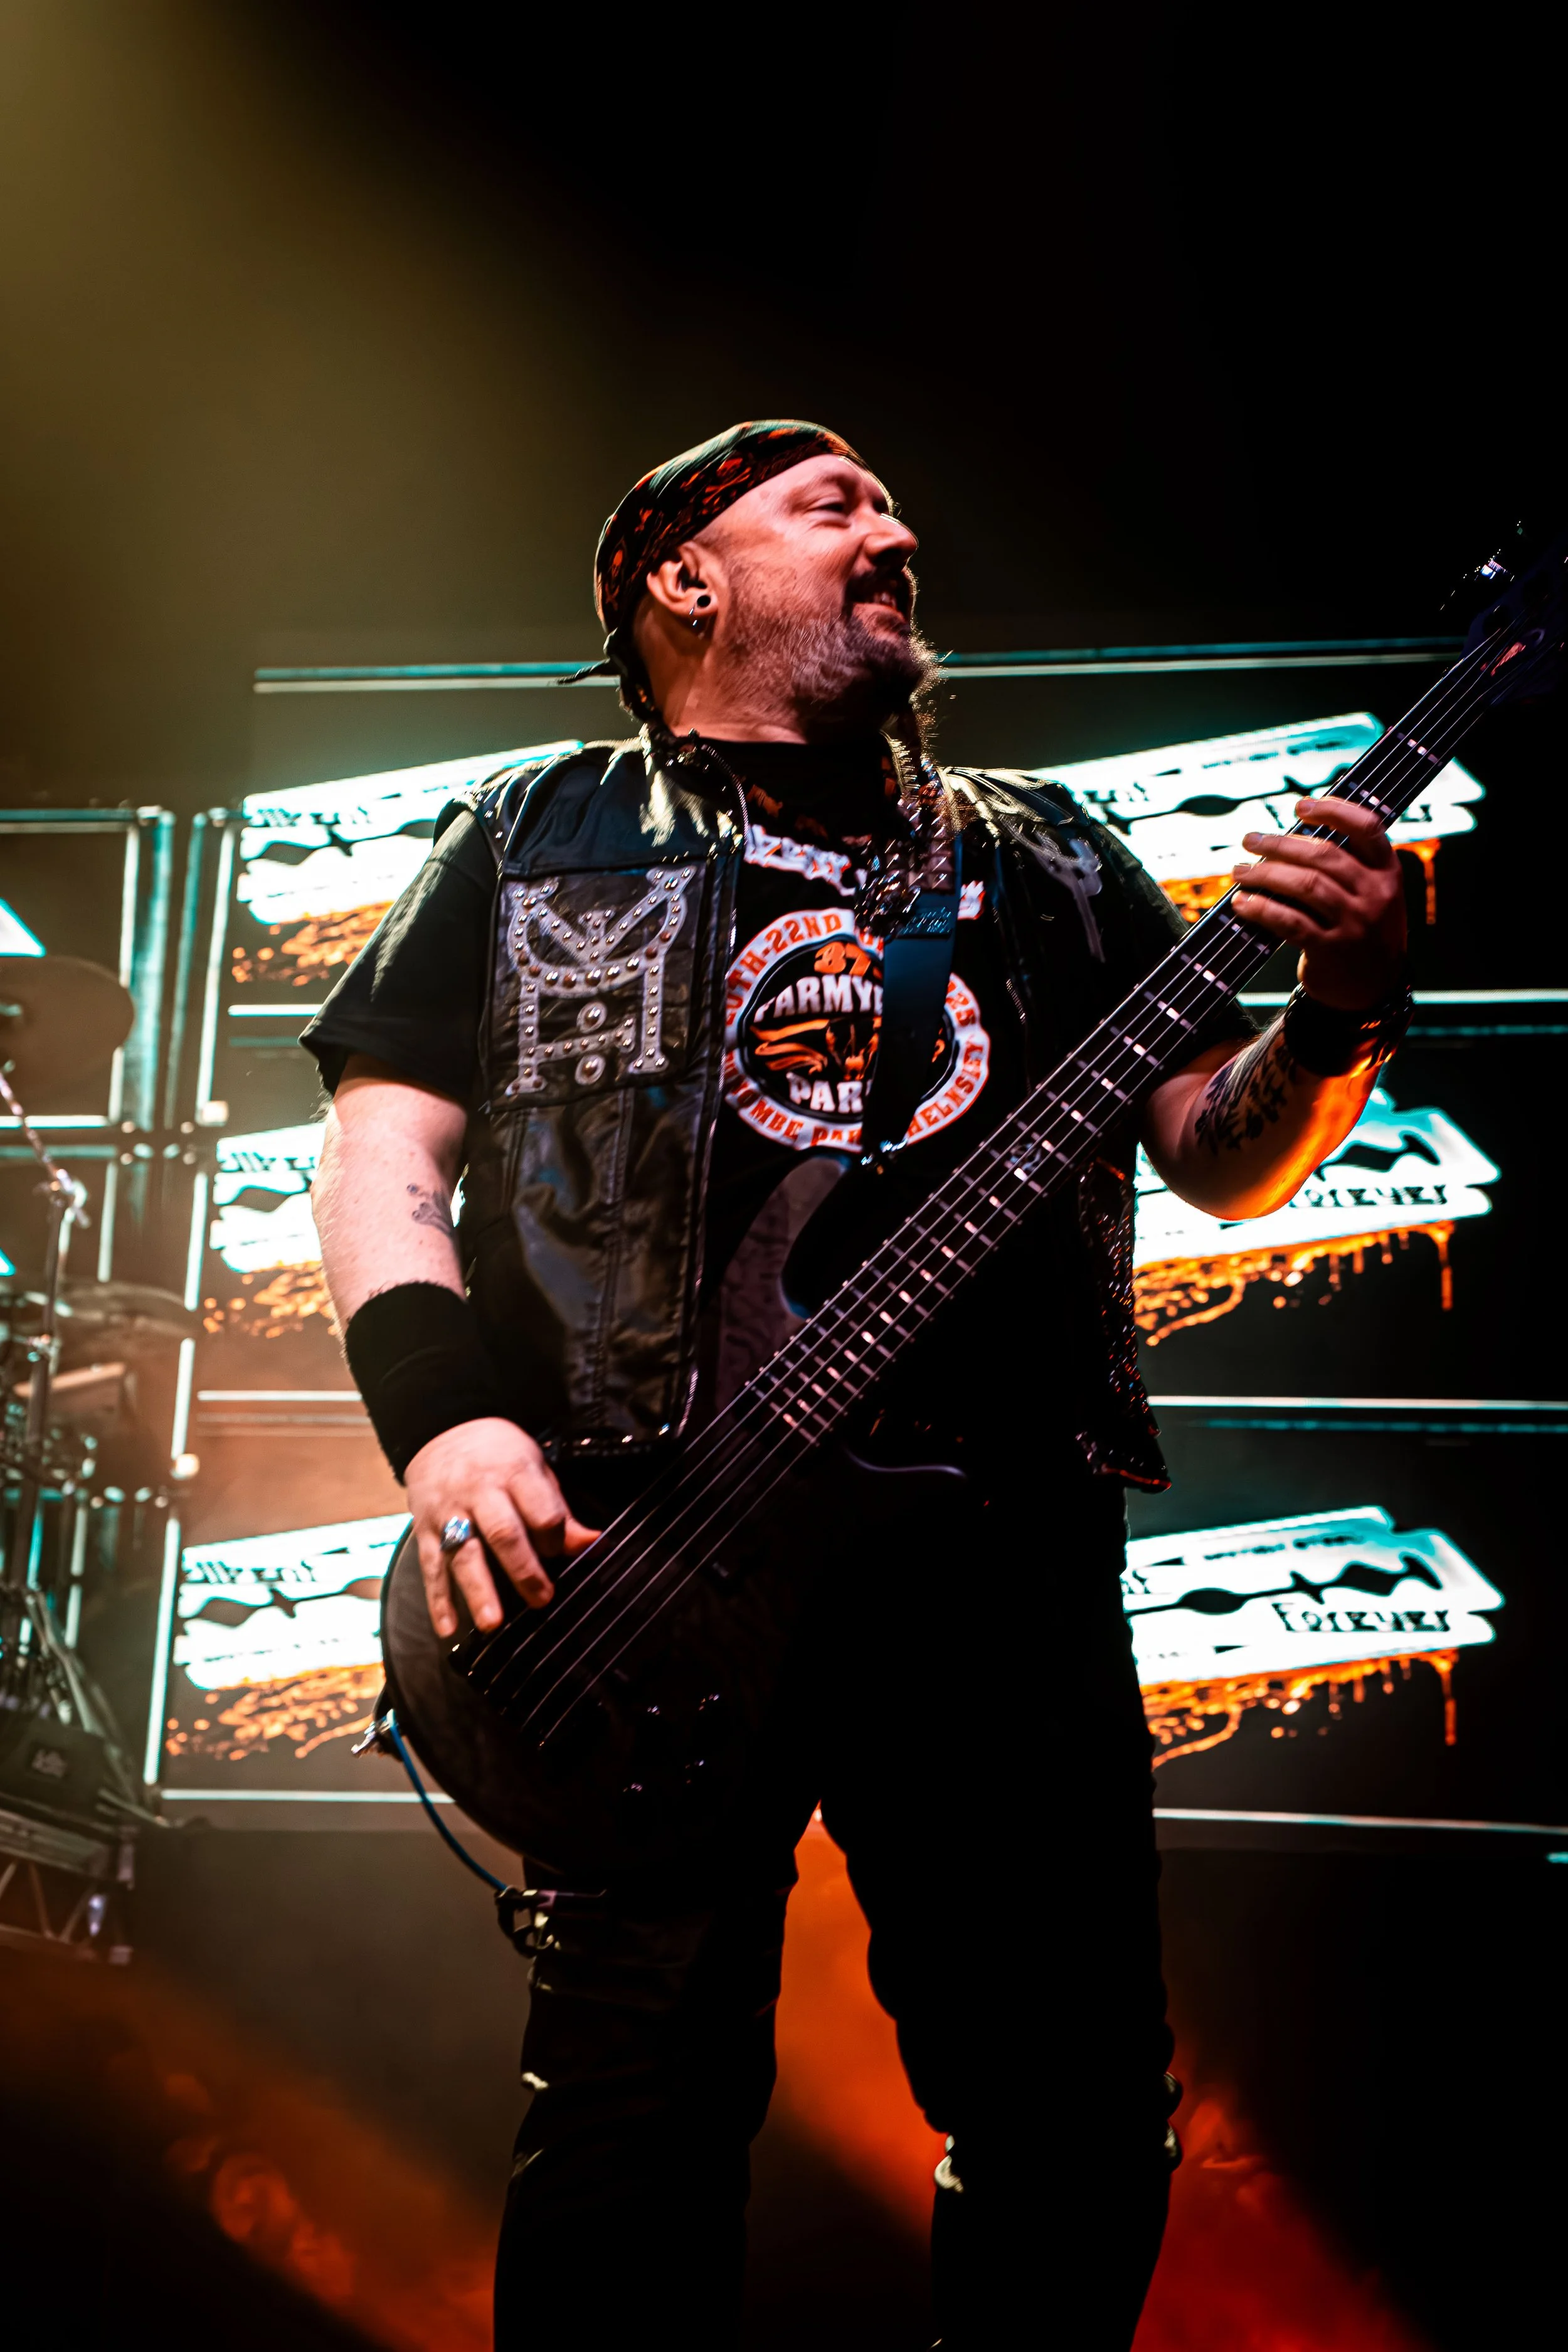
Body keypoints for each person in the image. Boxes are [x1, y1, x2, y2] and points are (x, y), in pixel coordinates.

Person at [304, 421, 1409, 2347]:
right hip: (644, 1550)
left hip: (995, 1548)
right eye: (831, 506)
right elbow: (382, 1149)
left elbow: (1218, 1151)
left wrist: (1343, 1010)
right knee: (635, 2100)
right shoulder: (534, 828)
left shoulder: (1049, 850)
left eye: (891, 505)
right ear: (681, 575)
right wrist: (447, 1420)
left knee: (1070, 2108)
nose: (893, 533)